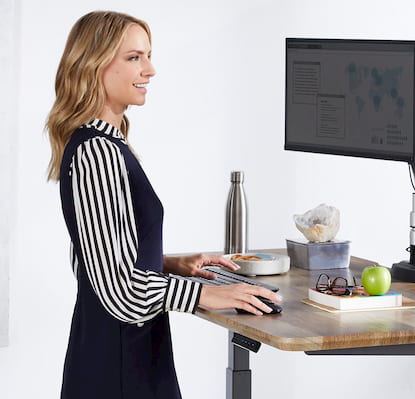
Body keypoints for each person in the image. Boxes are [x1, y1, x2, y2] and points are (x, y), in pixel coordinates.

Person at [46, 11, 281, 399]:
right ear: (94, 64)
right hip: (120, 368)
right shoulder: (97, 153)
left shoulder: (104, 144)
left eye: (148, 56)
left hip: (123, 357)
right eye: (134, 57)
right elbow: (118, 290)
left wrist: (169, 263)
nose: (151, 70)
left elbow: (91, 257)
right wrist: (207, 295)